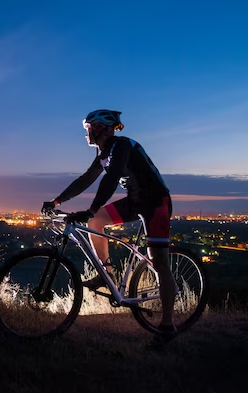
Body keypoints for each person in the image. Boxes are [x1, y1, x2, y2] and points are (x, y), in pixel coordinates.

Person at [41, 109, 177, 335]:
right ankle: (107, 274)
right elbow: (86, 179)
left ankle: (167, 325)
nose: (86, 133)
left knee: (159, 262)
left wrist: (91, 208)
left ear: (100, 128)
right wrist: (56, 201)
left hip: (155, 202)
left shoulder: (122, 146)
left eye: (88, 128)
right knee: (96, 220)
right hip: (135, 201)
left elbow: (112, 178)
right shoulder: (103, 154)